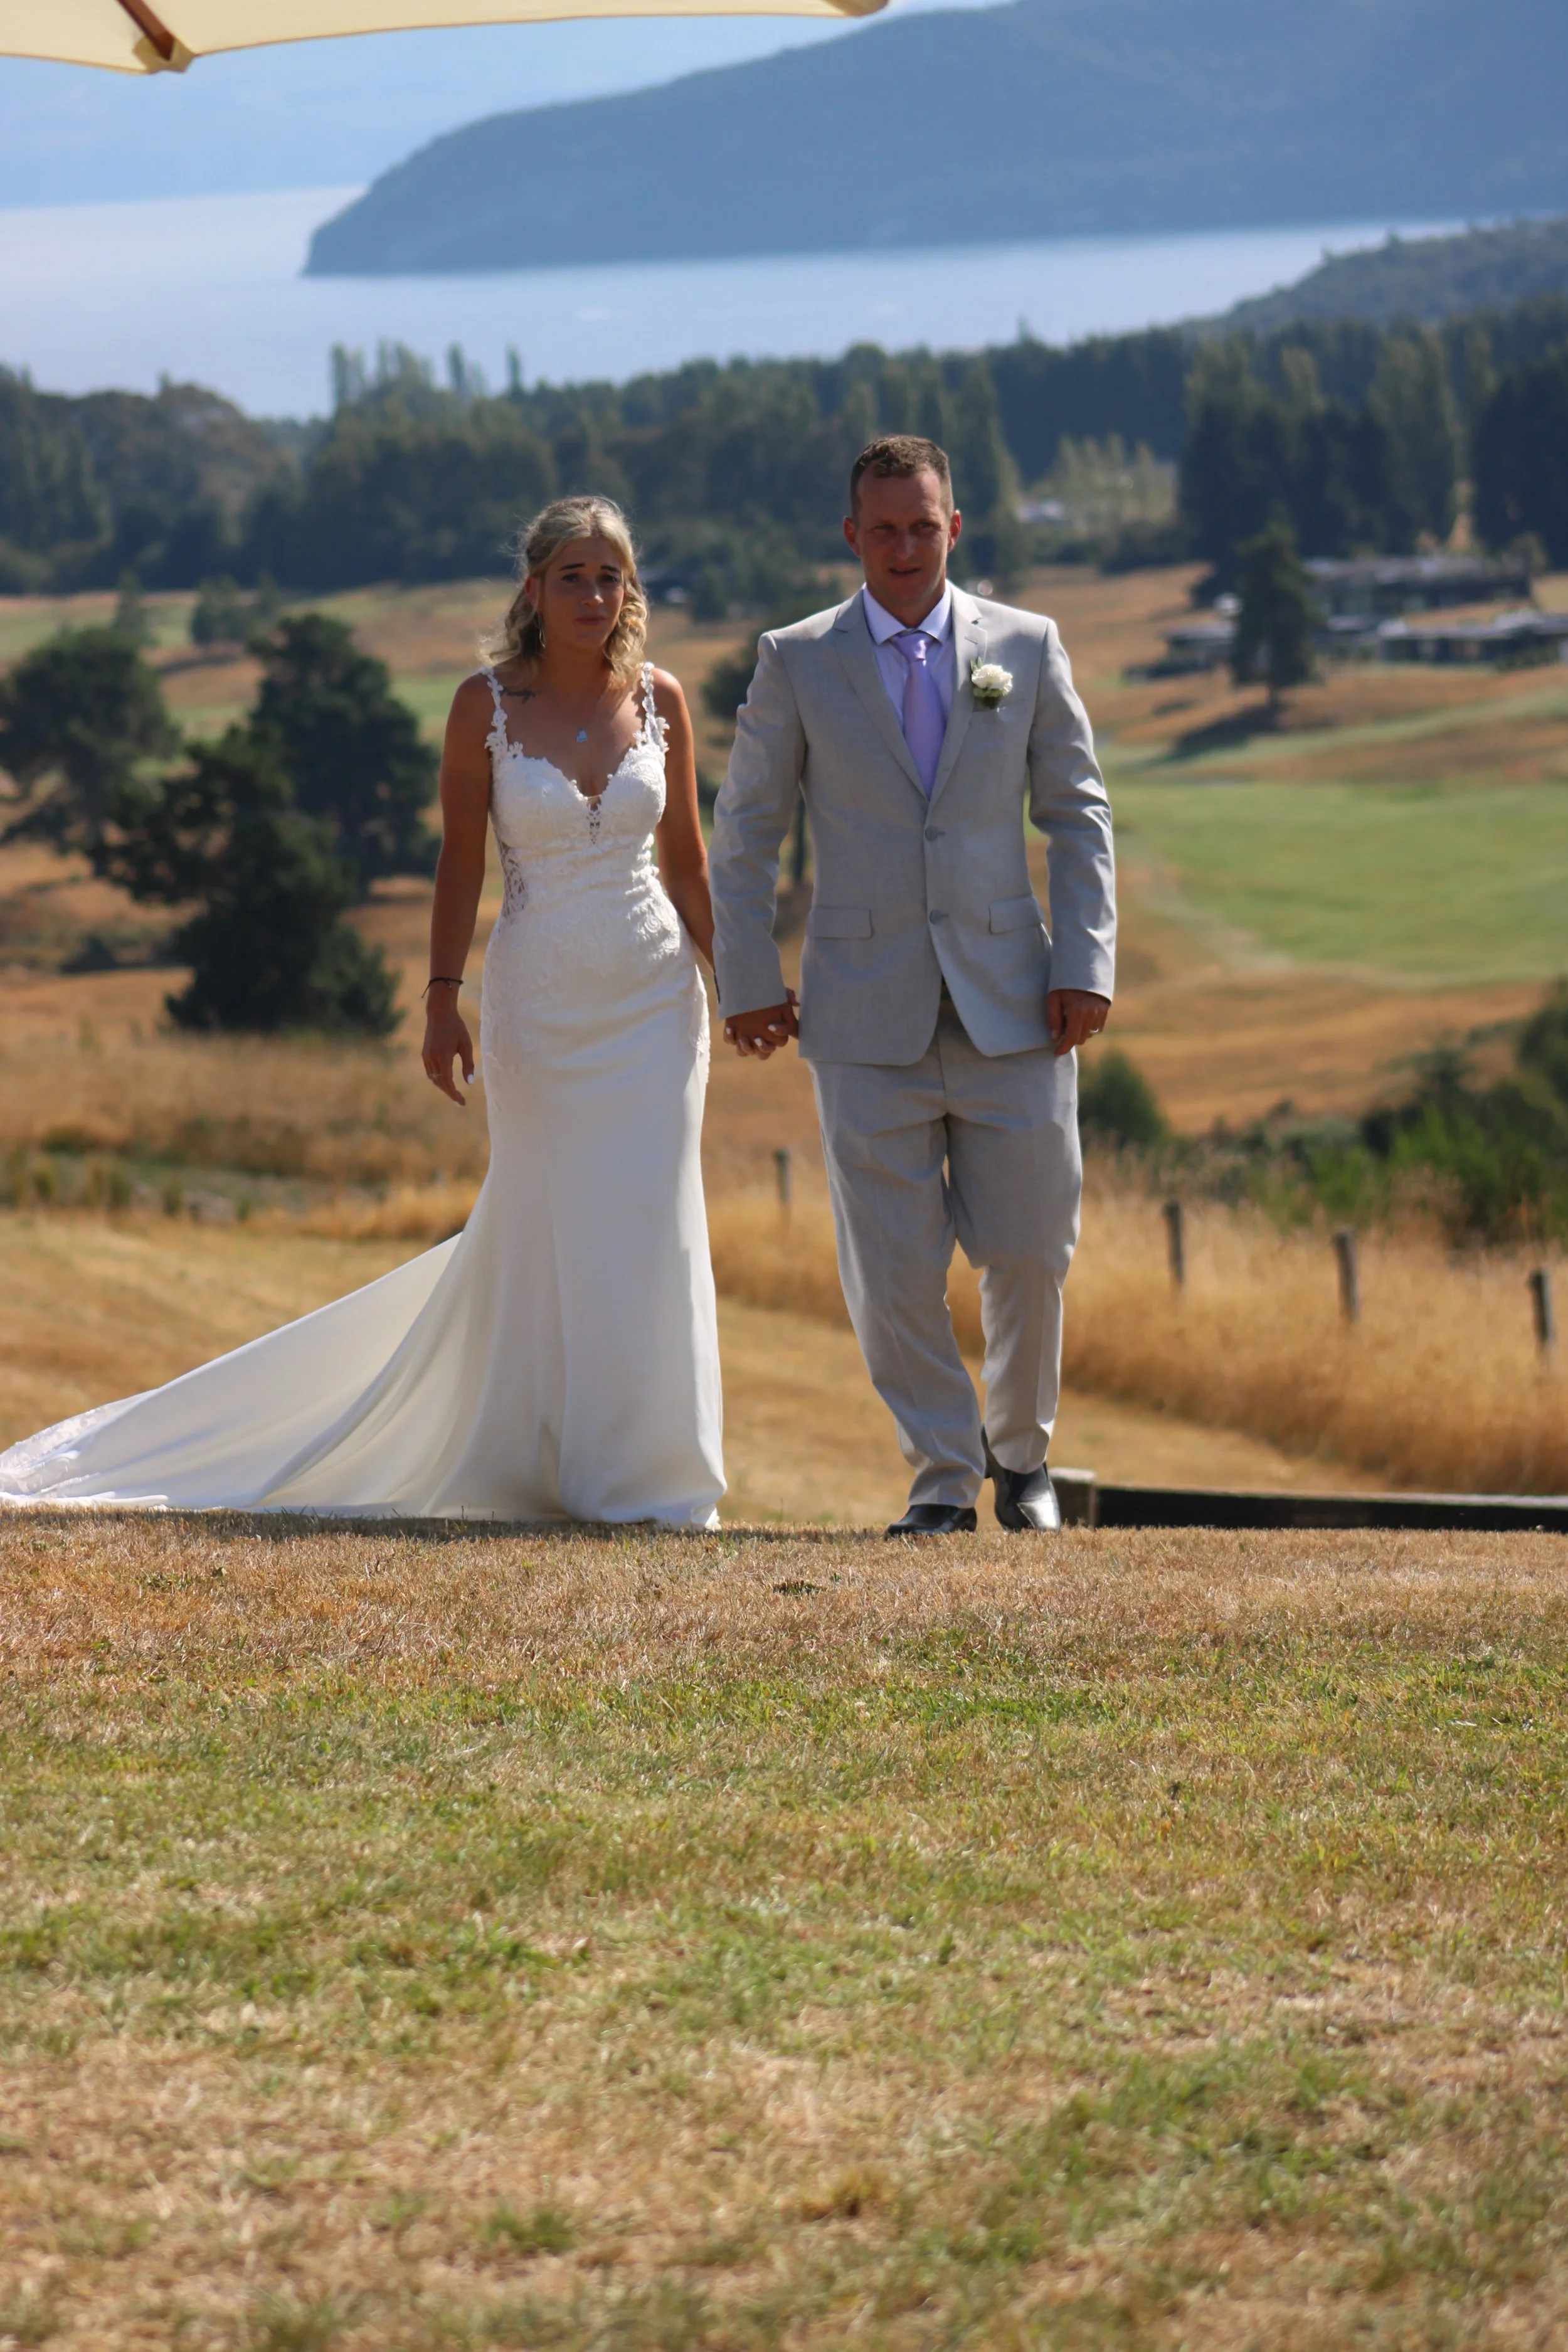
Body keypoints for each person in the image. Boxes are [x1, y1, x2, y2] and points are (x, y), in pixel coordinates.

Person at [0, 497, 724, 1528]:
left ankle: (655, 1479)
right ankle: (543, 1458)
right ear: (534, 588)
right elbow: (461, 863)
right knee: (550, 1222)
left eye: (611, 577)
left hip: (657, 1006)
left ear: (631, 590)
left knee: (656, 1226)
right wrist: (441, 1003)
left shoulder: (664, 699)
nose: (594, 596)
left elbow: (690, 866)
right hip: (542, 1010)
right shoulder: (485, 706)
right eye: (572, 575)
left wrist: (737, 982)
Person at [709, 436, 1115, 1537]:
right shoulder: (796, 659)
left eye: (921, 526)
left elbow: (1078, 814)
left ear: (954, 528)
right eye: (882, 528)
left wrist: (1084, 963)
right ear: (851, 534)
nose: (902, 546)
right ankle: (942, 1476)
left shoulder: (1027, 647)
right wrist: (746, 977)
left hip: (1016, 1002)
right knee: (891, 1268)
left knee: (1033, 1247)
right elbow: (743, 831)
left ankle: (1023, 1463)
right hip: (858, 1009)